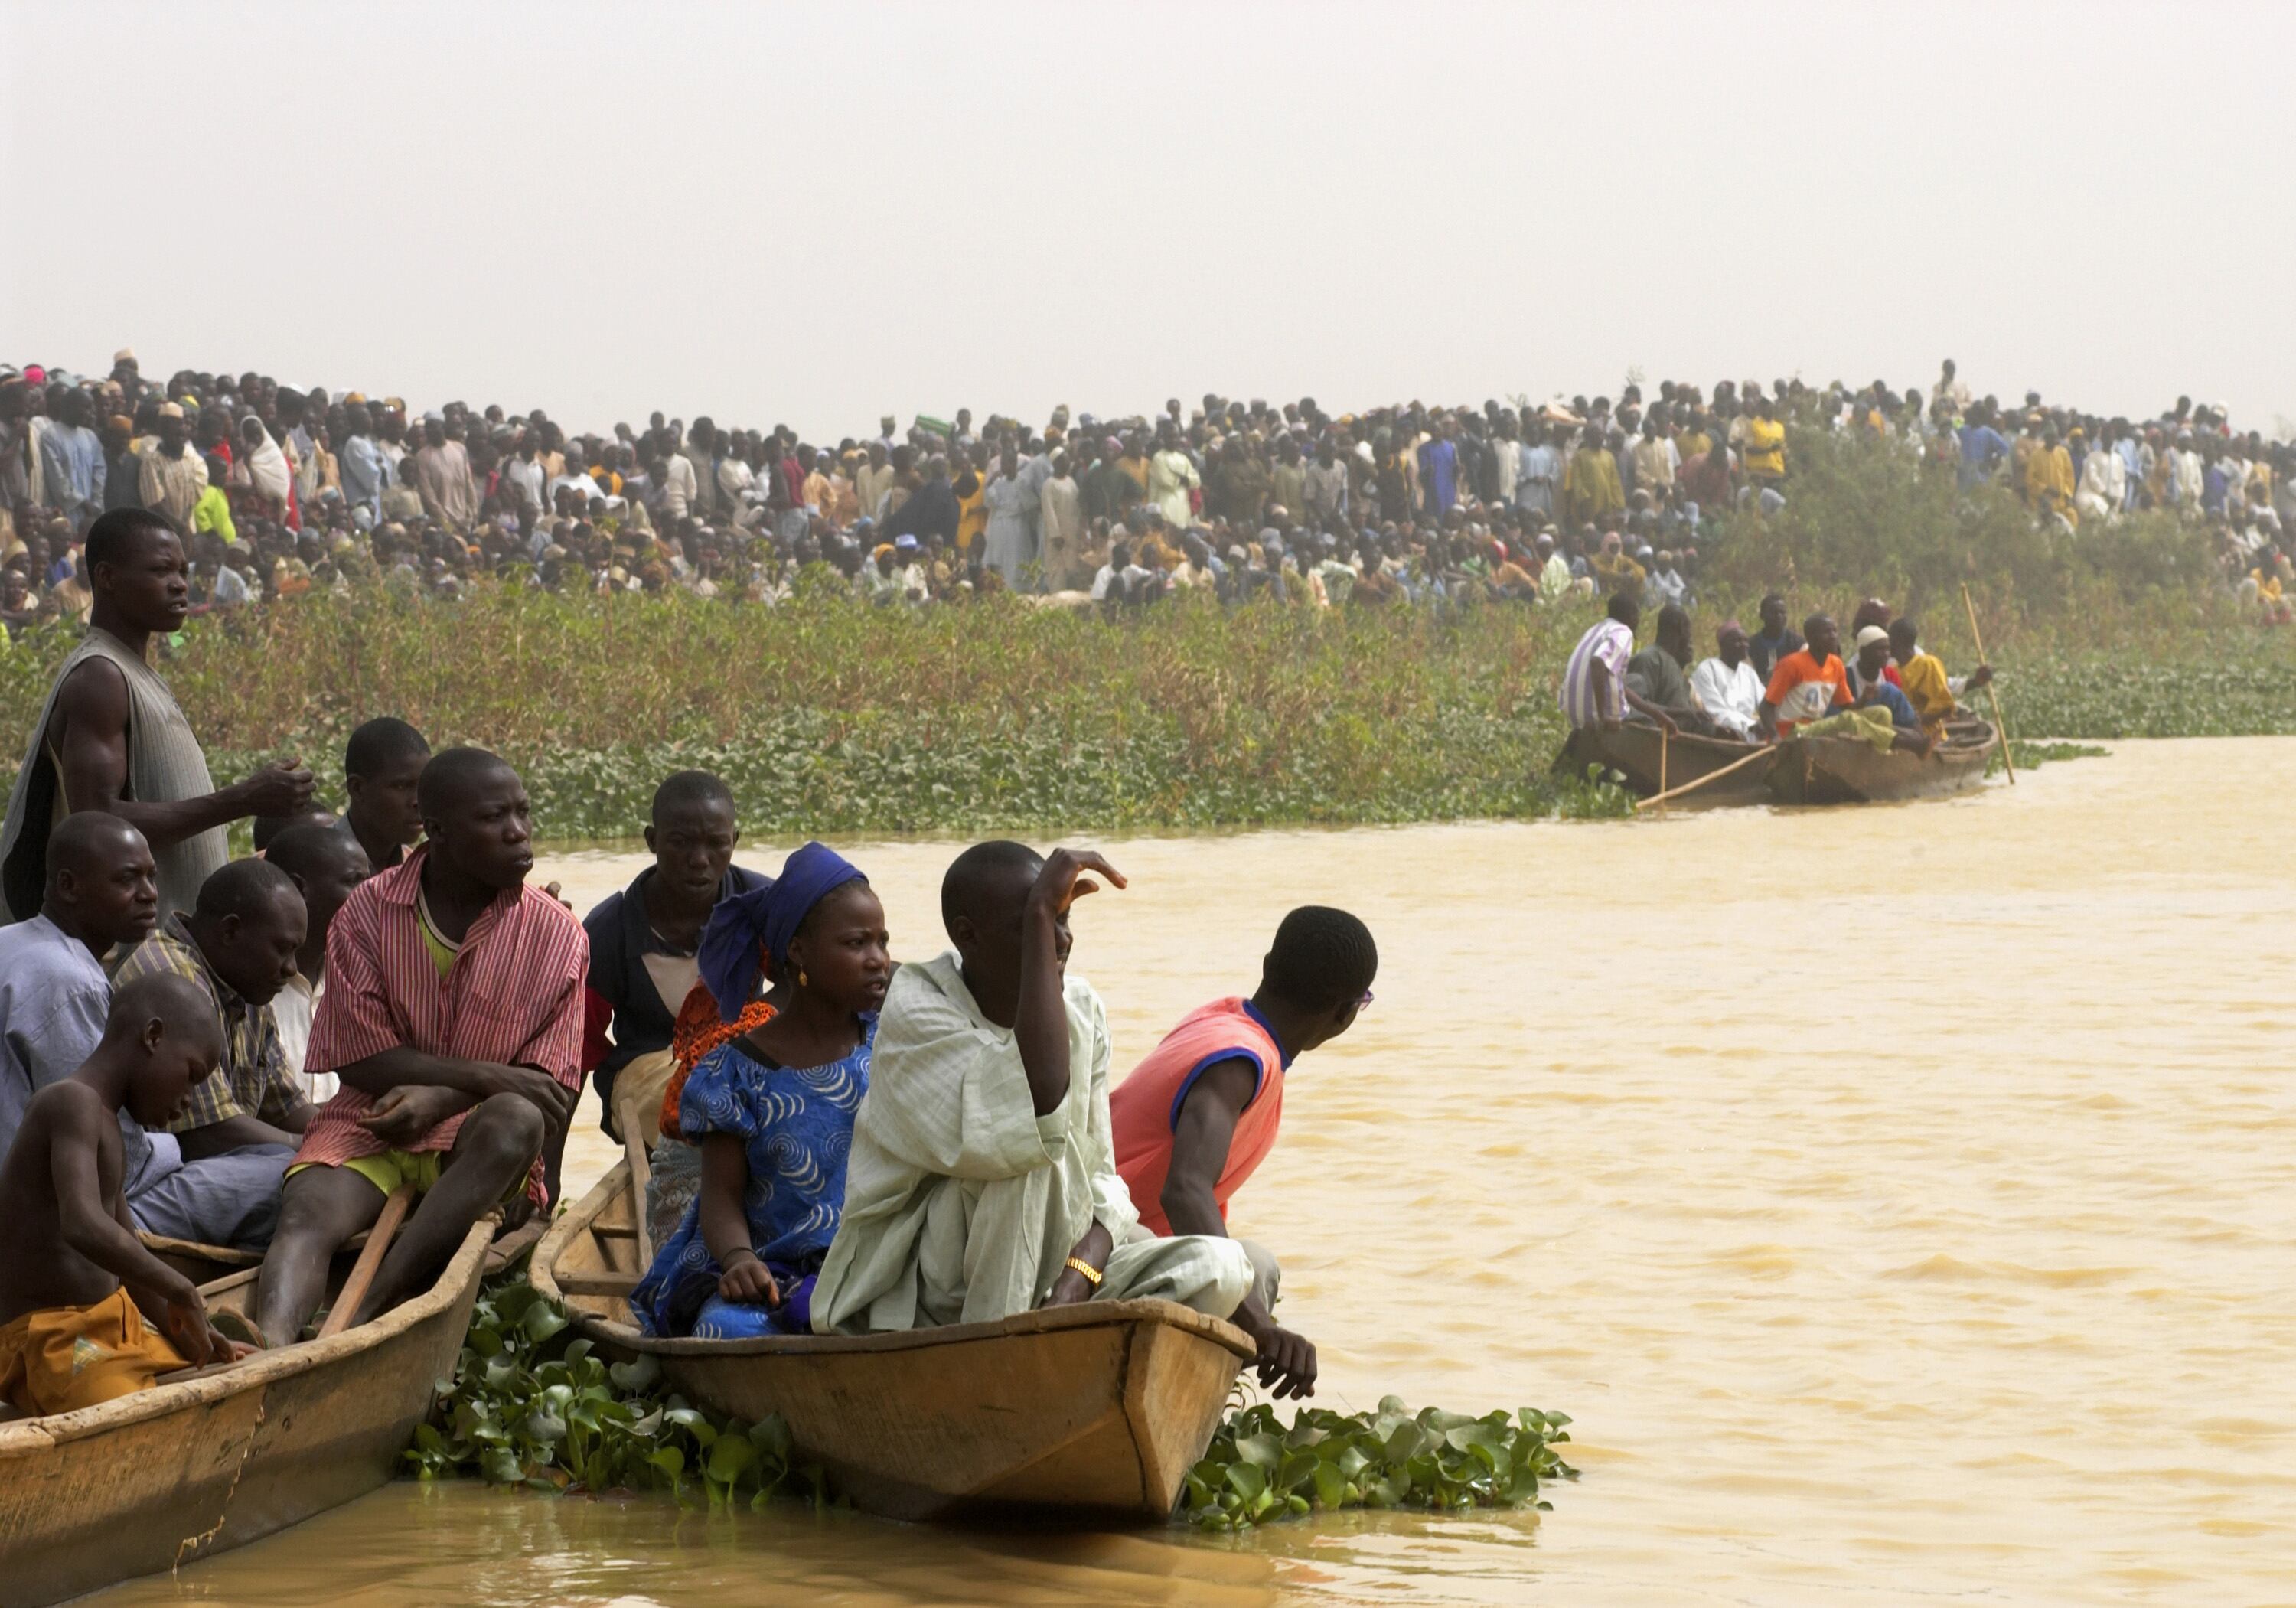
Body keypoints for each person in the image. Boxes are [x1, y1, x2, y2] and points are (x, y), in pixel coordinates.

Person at [811, 843, 1254, 1333]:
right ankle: (1001, 1352)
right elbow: (1035, 1107)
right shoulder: (918, 1007)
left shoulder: (1082, 1008)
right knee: (1030, 1152)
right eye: (1034, 927)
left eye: (1063, 920)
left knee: (1225, 1266)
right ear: (967, 936)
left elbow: (1102, 1175)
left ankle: (1051, 1327)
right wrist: (1043, 909)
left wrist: (1079, 1274)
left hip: (1054, 1264)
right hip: (928, 1289)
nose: (1059, 941)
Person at [254, 749, 584, 1345]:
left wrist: (446, 1096)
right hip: (374, 1118)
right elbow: (359, 1057)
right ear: (437, 831)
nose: (518, 832)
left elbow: (549, 1087)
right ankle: (268, 1344)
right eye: (493, 818)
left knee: (515, 1116)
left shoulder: (558, 935)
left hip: (478, 1141)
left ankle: (363, 1315)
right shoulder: (365, 912)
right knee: (307, 1212)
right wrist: (484, 1076)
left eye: (523, 813)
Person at [1110, 905, 1378, 1400]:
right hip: (1100, 1234)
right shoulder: (1239, 1060)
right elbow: (1185, 1190)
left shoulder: (1223, 1015)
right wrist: (1261, 1325)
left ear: (1267, 964)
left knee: (1256, 1266)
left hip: (1128, 1232)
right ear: (1344, 1013)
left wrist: (1257, 1316)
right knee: (1244, 1274)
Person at [0, 509, 314, 927]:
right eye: (161, 570)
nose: (180, 584)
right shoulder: (101, 676)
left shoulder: (132, 672)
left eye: (183, 571)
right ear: (107, 577)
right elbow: (99, 821)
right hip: (124, 962)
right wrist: (242, 799)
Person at [630, 843, 888, 1339]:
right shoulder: (735, 1069)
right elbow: (721, 1196)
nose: (878, 959)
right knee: (724, 1330)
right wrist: (740, 1258)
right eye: (857, 943)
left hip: (874, 1259)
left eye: (883, 940)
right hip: (775, 1265)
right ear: (798, 951)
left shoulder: (889, 1040)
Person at [0, 973, 249, 1414]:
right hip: (50, 1339)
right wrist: (181, 1288)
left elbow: (129, 1259)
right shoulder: (68, 1102)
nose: (189, 1100)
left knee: (216, 1367)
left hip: (108, 1326)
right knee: (132, 1411)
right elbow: (81, 1225)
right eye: (191, 1076)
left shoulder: (108, 1126)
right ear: (153, 1036)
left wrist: (191, 1334)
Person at [111, 858, 314, 1251]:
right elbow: (205, 1132)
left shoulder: (250, 988)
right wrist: (316, 1148)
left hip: (191, 1173)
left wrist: (348, 1136)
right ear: (231, 931)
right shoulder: (174, 977)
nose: (291, 968)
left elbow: (285, 1104)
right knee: (293, 1173)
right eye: (282, 949)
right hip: (142, 1185)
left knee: (307, 1167)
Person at [581, 771, 765, 1141]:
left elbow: (816, 976)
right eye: (681, 843)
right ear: (652, 840)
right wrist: (549, 1165)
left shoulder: (760, 905)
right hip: (644, 1075)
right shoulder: (609, 930)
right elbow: (575, 1048)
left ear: (735, 841)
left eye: (717, 844)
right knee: (705, 1100)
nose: (700, 860)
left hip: (743, 1064)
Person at [0, 814, 168, 1206]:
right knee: (258, 1179)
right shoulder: (70, 981)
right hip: (33, 1209)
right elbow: (108, 1155)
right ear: (68, 886)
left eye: (152, 877)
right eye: (127, 879)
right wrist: (178, 1149)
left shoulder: (12, 940)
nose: (149, 894)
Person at [263, 823, 373, 1103]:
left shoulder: (360, 980)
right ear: (298, 887)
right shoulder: (252, 990)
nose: (371, 897)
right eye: (353, 882)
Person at [1559, 592, 1678, 735]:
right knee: (1652, 728)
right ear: (1630, 615)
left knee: (1648, 712)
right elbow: (1598, 662)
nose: (1638, 621)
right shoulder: (1623, 632)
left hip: (1575, 716)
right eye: (1637, 615)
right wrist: (1603, 717)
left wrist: (1657, 714)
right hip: (1600, 716)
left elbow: (1621, 687)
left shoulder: (1594, 630)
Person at [341, 717, 429, 872]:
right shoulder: (316, 865)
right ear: (358, 789)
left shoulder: (416, 870)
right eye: (401, 786)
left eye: (424, 785)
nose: (418, 801)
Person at [1887, 618, 1993, 736]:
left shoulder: (1928, 664)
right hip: (1904, 733)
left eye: (1889, 639)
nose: (1887, 644)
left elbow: (1944, 708)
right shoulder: (1894, 670)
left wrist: (1912, 722)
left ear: (1898, 641)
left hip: (1928, 735)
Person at [1758, 613, 1851, 737]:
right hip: (1792, 731)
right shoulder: (1791, 664)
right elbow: (1766, 707)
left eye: (1834, 631)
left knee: (1882, 713)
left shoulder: (1836, 665)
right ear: (1812, 638)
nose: (1833, 636)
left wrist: (1865, 697)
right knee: (1849, 720)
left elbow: (1847, 706)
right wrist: (1775, 736)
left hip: (1815, 728)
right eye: (1827, 632)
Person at [1691, 621, 1768, 741]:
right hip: (1722, 735)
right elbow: (1716, 711)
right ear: (1723, 645)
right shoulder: (1707, 669)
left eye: (1746, 641)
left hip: (1753, 735)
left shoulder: (1748, 673)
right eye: (1738, 641)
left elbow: (1766, 703)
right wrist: (1751, 725)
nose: (1744, 645)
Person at [1745, 592, 1805, 682]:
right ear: (1762, 616)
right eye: (1774, 613)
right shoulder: (1751, 645)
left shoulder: (1798, 643)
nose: (1779, 616)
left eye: (1782, 612)